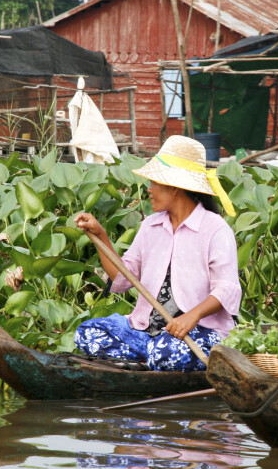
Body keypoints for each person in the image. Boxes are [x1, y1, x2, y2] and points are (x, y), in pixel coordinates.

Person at [74, 136, 241, 372]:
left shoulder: (215, 229)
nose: (149, 190)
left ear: (174, 187)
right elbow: (123, 278)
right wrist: (100, 236)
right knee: (88, 333)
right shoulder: (150, 226)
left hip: (200, 333)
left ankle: (147, 360)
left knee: (166, 353)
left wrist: (191, 316)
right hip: (147, 332)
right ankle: (148, 360)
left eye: (154, 183)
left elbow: (227, 289)